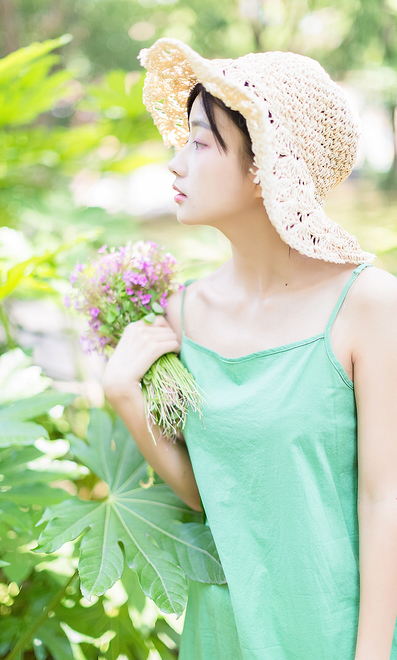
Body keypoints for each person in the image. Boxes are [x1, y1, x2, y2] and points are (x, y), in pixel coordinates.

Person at [102, 38, 397, 659]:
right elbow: (223, 497)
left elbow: (384, 498)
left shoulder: (369, 305)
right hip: (225, 631)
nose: (176, 163)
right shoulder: (180, 313)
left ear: (265, 166)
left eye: (202, 143)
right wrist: (124, 397)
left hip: (336, 630)